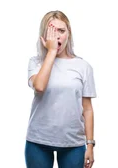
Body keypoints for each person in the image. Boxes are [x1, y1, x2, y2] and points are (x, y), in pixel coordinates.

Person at [24, 10, 96, 168]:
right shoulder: (35, 63)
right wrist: (51, 51)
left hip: (73, 143)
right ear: (43, 36)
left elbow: (87, 109)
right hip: (38, 141)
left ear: (68, 34)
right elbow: (40, 86)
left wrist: (90, 144)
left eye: (61, 31)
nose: (57, 36)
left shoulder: (83, 66)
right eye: (51, 31)